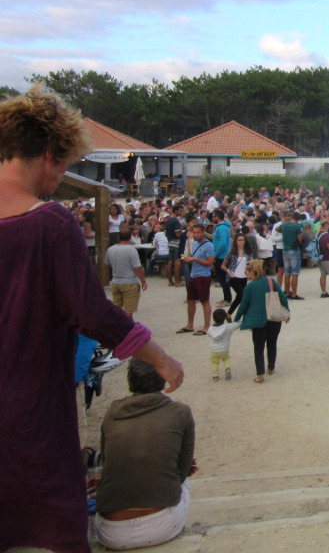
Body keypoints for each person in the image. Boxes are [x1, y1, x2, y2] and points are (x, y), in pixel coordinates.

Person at [0, 84, 184, 553]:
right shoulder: (49, 223)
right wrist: (161, 358)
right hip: (27, 412)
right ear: (47, 153)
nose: (59, 178)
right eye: (62, 166)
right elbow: (91, 311)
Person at [93, 360, 196, 550]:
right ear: (164, 381)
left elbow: (108, 461)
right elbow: (181, 473)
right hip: (162, 526)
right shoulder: (181, 412)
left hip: (110, 532)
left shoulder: (112, 412)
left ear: (130, 384)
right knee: (185, 476)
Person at [233, 259, 290, 383]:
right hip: (274, 318)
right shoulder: (271, 281)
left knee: (258, 347)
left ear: (252, 272)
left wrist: (236, 319)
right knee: (272, 343)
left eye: (246, 271)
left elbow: (243, 305)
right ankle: (271, 367)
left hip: (258, 321)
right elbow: (282, 296)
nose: (245, 274)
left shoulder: (249, 288)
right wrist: (287, 312)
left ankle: (260, 374)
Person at [180, 222, 215, 335]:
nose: (196, 235)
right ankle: (189, 325)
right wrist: (188, 259)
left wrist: (195, 260)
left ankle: (207, 326)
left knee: (204, 301)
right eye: (194, 233)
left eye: (198, 232)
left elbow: (210, 263)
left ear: (203, 232)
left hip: (203, 275)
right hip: (193, 275)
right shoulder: (195, 244)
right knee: (191, 301)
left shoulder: (209, 245)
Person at [105, 229, 148, 318]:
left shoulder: (111, 249)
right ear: (130, 237)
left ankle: (117, 328)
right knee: (129, 311)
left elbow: (107, 264)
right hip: (129, 282)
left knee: (117, 309)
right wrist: (143, 280)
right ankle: (127, 329)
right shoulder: (131, 250)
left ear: (118, 237)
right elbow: (137, 268)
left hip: (116, 281)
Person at [222, 232, 255, 315]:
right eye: (239, 240)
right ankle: (233, 314)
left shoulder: (248, 252)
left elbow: (252, 263)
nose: (241, 242)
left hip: (244, 277)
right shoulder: (231, 252)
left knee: (241, 297)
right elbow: (223, 265)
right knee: (241, 295)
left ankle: (229, 314)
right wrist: (228, 271)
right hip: (234, 276)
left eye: (243, 240)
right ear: (235, 241)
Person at [208, 308, 241, 382]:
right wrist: (229, 320)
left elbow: (209, 334)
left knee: (214, 363)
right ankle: (227, 368)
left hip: (214, 350)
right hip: (224, 349)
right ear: (224, 318)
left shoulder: (210, 328)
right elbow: (236, 324)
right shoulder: (227, 327)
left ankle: (215, 376)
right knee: (226, 359)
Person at [279, 211, 304, 300]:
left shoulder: (284, 225)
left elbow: (278, 228)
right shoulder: (297, 226)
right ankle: (294, 294)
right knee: (295, 273)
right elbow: (300, 238)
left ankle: (287, 292)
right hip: (294, 250)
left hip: (285, 250)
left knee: (287, 273)